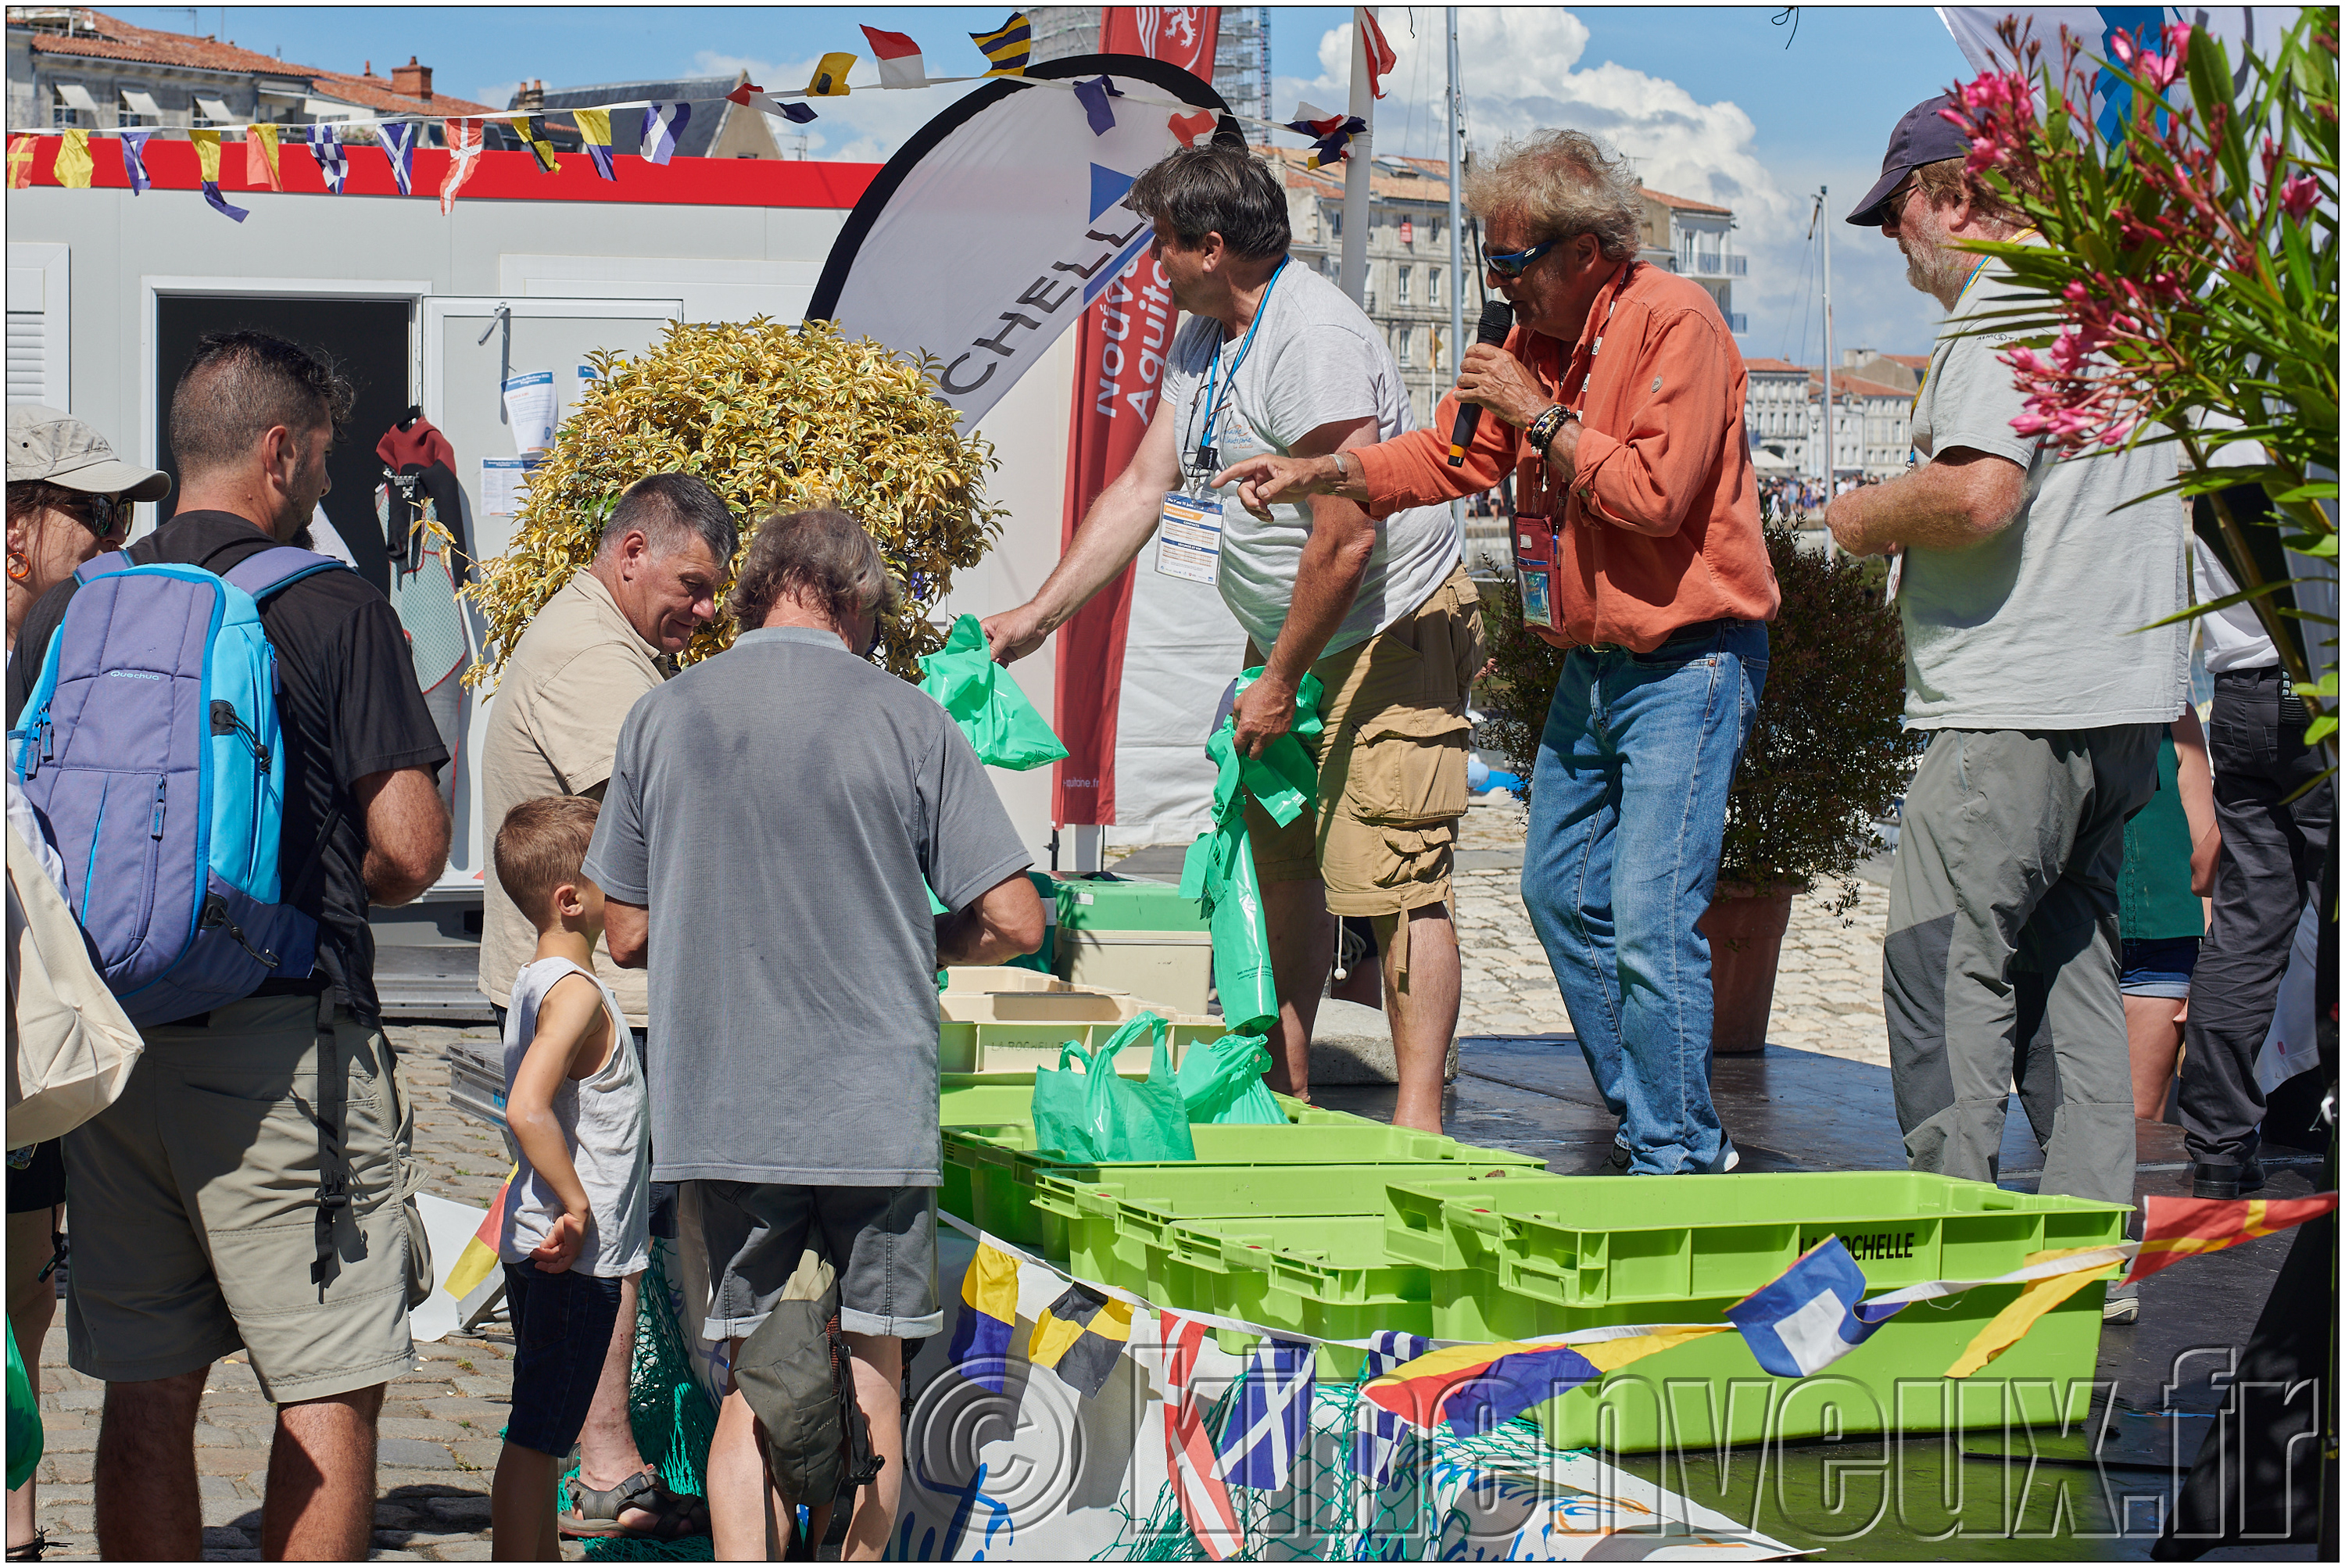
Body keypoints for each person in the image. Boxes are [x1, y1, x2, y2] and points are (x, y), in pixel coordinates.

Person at [1215, 128, 1778, 1176]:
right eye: (1489, 260)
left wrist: (1542, 414)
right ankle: (1650, 1111)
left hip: (1690, 661)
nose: (1497, 284)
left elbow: (1654, 499)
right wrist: (1322, 473)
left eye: (1511, 264)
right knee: (1560, 892)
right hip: (1597, 665)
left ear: (1589, 254)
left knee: (1652, 915)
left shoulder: (1675, 323)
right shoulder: (1533, 341)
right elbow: (1453, 455)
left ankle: (1680, 1152)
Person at [5, 331, 452, 1559]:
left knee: (146, 1386)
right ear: (278, 448)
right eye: (318, 455)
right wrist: (280, 886)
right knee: (327, 1385)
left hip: (114, 1057)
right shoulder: (333, 601)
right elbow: (409, 848)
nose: (322, 479)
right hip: (284, 1051)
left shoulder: (64, 610)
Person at [982, 142, 1482, 1134]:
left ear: (1213, 248)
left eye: (1162, 246)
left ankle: (1418, 1129)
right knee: (1280, 860)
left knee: (1392, 874)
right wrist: (1037, 616)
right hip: (1295, 633)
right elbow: (1141, 487)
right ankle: (1288, 1096)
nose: (1151, 265)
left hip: (1386, 623)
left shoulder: (1312, 341)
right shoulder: (1203, 335)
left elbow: (1344, 539)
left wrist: (1276, 676)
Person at [585, 509, 1041, 1559]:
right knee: (876, 1361)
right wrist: (902, 925)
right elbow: (1019, 919)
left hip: (723, 1098)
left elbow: (624, 929)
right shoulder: (908, 719)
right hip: (872, 1105)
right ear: (852, 597)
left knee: (753, 1367)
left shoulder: (666, 717)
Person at [1825, 98, 2188, 1223]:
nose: (1895, 238)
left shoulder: (2003, 307)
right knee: (2072, 976)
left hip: (2013, 705)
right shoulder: (2114, 311)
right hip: (2119, 706)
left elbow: (1982, 492)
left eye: (1900, 211)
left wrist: (1860, 516)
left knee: (1939, 964)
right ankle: (2082, 1249)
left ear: (1957, 191)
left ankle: (1955, 1238)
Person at [475, 470, 736, 1540]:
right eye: (691, 581)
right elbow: (647, 826)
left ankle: (591, 1455)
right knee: (602, 1226)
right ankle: (605, 1460)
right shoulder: (596, 658)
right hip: (599, 995)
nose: (706, 608)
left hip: (584, 986)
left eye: (719, 592)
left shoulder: (611, 641)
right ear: (630, 553)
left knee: (597, 1225)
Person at [3, 404, 167, 1563]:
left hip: (41, 1014)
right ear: (19, 527)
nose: (116, 539)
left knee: (27, 1250)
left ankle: (13, 1506)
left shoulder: (76, 641)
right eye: (94, 515)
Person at [485, 795, 651, 1562]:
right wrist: (579, 1203)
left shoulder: (537, 978)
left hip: (542, 1247)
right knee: (539, 1434)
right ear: (571, 899)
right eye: (617, 875)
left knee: (540, 1427)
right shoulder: (578, 993)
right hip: (571, 1256)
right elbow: (527, 1107)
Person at [2179, 484, 2336, 1196]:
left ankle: (2217, 1146)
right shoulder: (2309, 434)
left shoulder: (2216, 442)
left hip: (2240, 689)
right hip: (2322, 681)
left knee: (2246, 927)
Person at [2117, 711, 2219, 1126]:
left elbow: (2209, 854)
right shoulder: (2060, 702)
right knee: (2059, 1122)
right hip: (2066, 949)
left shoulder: (2177, 719)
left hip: (2160, 953)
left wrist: (2210, 975)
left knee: (2140, 1124)